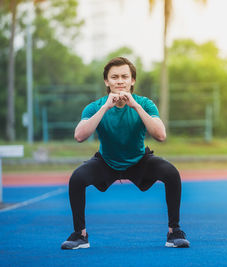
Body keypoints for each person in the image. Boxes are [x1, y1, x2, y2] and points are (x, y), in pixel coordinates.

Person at [61, 57, 189, 249]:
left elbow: (161, 135)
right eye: (114, 77)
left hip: (139, 161)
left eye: (124, 76)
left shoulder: (145, 104)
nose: (119, 81)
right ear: (106, 81)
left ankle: (174, 231)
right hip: (106, 162)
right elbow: (79, 136)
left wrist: (135, 106)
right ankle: (80, 235)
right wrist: (106, 107)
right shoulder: (95, 107)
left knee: (171, 173)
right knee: (77, 179)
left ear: (132, 80)